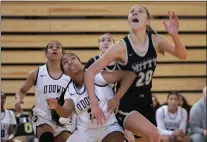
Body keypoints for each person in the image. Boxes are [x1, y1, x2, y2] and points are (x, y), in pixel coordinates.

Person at [84, 5, 186, 141]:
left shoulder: (156, 40)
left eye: (139, 11)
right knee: (154, 134)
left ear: (147, 21)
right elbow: (89, 71)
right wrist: (94, 105)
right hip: (125, 103)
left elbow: (182, 55)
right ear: (128, 20)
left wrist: (174, 35)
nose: (134, 13)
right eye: (132, 12)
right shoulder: (120, 47)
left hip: (147, 102)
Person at [47, 53, 137, 142]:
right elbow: (66, 112)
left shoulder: (97, 76)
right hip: (85, 132)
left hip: (109, 126)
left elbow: (129, 75)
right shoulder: (70, 91)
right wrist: (56, 106)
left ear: (80, 62)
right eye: (65, 62)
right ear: (64, 72)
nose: (70, 62)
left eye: (73, 58)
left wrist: (117, 97)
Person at [15, 41, 74, 142]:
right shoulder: (36, 73)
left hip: (63, 118)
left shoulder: (69, 75)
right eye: (51, 47)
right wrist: (18, 100)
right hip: (43, 116)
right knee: (46, 137)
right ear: (46, 54)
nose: (54, 48)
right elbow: (21, 91)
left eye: (58, 47)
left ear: (62, 53)